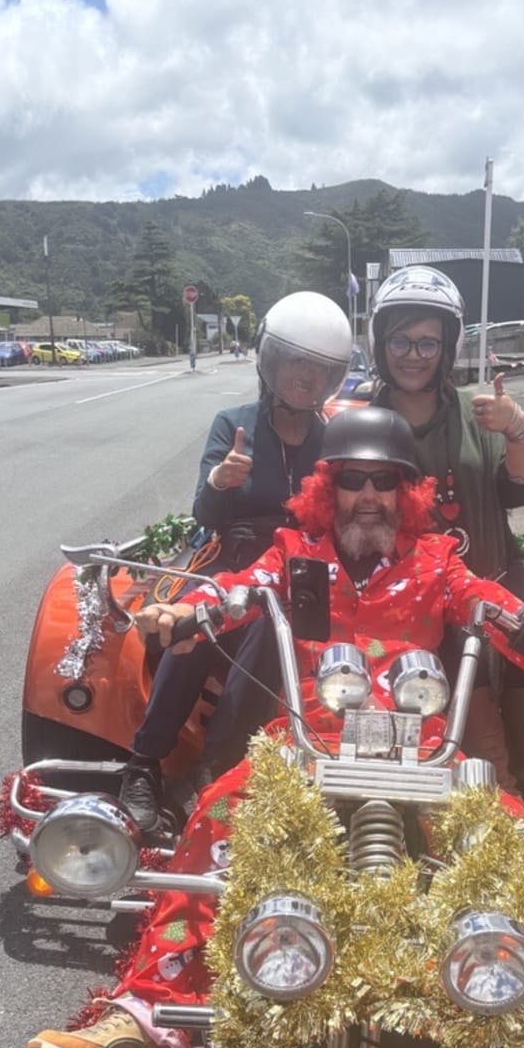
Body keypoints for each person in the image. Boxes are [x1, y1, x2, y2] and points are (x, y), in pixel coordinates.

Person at [27, 407, 524, 1048]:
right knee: (218, 814)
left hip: (427, 752)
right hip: (305, 745)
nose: (369, 495)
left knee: (504, 836)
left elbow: (495, 608)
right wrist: (183, 613)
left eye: (385, 481)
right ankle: (145, 1019)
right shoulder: (294, 554)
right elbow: (234, 591)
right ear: (329, 488)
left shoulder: (437, 562)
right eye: (353, 480)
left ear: (407, 493)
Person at [119, 292, 353, 838]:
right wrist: (221, 481)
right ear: (271, 362)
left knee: (274, 627)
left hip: (302, 565)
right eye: (296, 361)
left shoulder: (333, 438)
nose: (307, 376)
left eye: (320, 368)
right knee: (195, 625)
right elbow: (205, 514)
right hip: (234, 554)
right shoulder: (233, 424)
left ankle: (218, 763)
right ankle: (144, 763)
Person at [367, 266, 524, 847]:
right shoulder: (366, 420)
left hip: (493, 571)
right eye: (400, 340)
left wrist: (518, 429)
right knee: (450, 659)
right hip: (412, 589)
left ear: (448, 346)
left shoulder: (479, 412)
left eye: (427, 342)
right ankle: (501, 794)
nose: (413, 355)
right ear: (380, 342)